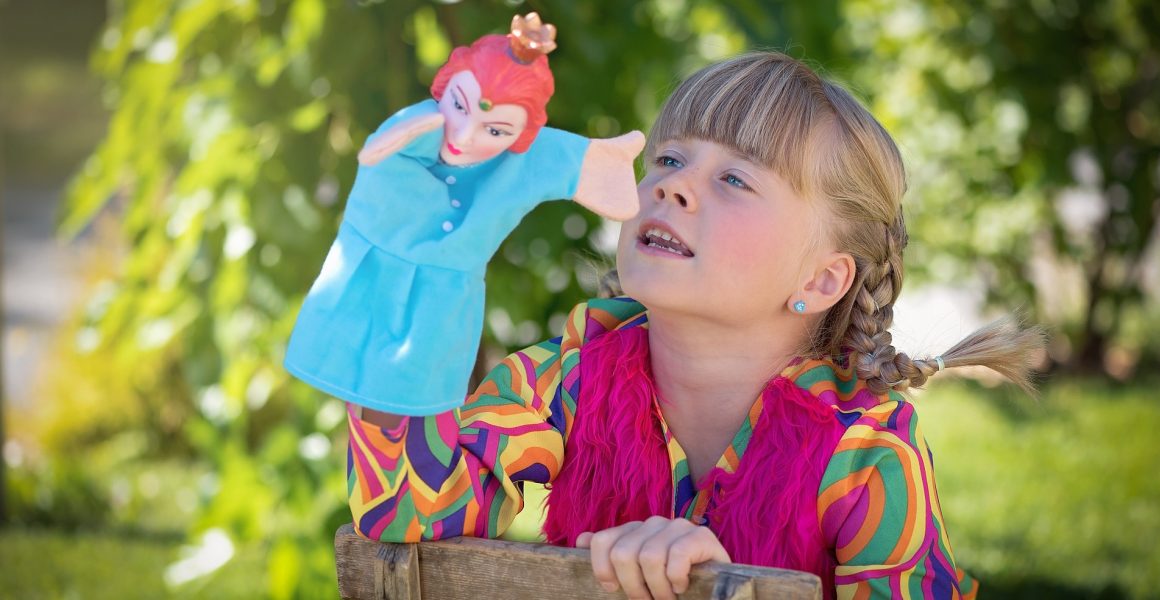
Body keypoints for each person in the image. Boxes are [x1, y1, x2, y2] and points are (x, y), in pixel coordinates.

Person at [342, 51, 1044, 599]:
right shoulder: (565, 380)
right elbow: (413, 519)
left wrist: (728, 586)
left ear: (820, 281)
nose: (671, 184)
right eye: (671, 159)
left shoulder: (864, 458)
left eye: (736, 179)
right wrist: (417, 283)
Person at [284, 14, 642, 415]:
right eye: (459, 105)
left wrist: (615, 166)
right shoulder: (413, 132)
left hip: (442, 303)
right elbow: (377, 149)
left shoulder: (524, 160)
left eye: (496, 131)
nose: (466, 134)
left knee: (410, 415)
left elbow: (587, 166)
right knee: (362, 397)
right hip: (368, 275)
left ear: (521, 136)